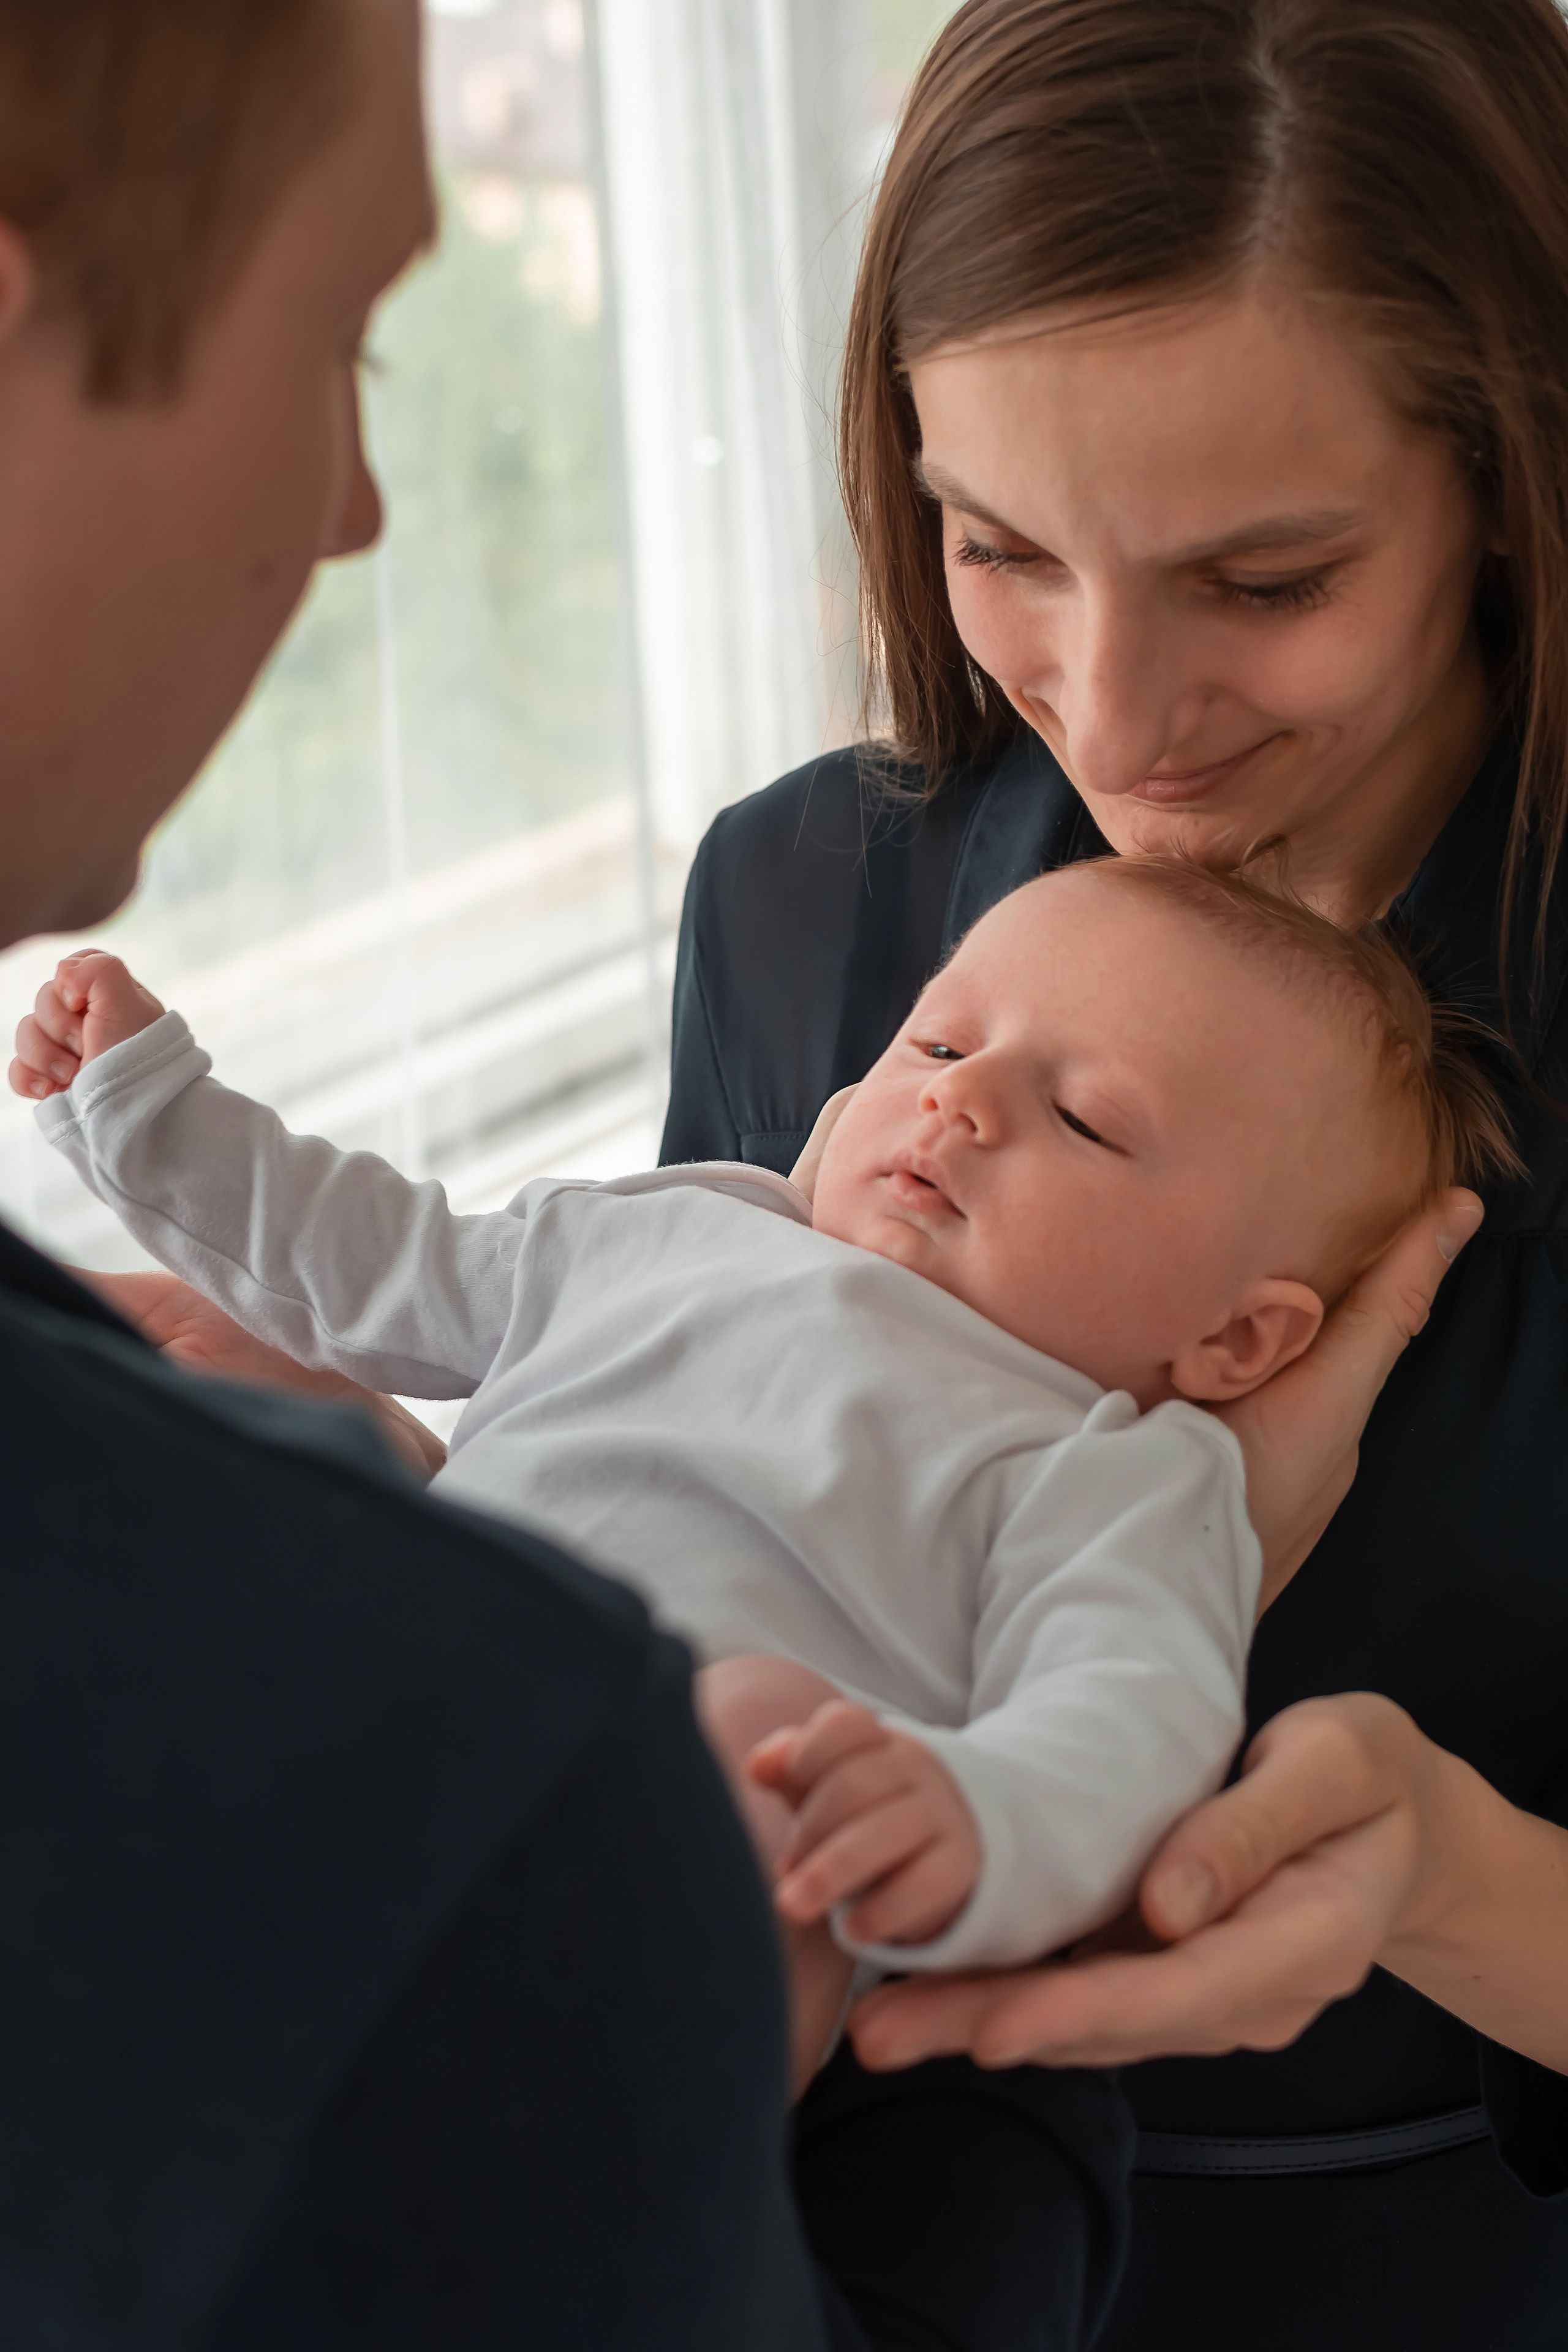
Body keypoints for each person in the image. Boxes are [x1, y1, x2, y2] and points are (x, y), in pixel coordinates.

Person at [0, 1, 1144, 2344]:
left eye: (1270, 576)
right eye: (349, 348)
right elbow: (414, 1261)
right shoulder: (798, 964)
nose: (359, 513)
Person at [660, 0, 1568, 2343]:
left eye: (1264, 582)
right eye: (999, 546)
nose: (1116, 708)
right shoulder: (795, 910)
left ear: (1511, 464)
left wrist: (1437, 1878)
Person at [17, 861, 1509, 2099]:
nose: (959, 1101)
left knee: (767, 1749)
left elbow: (1129, 1716)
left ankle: (573, 2164)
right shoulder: (686, 1228)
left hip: (645, 1878)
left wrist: (972, 1817)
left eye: (1086, 1119)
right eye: (936, 1045)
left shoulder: (1109, 1470)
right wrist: (151, 1107)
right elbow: (372, 1261)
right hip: (400, 1694)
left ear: (1236, 1340)